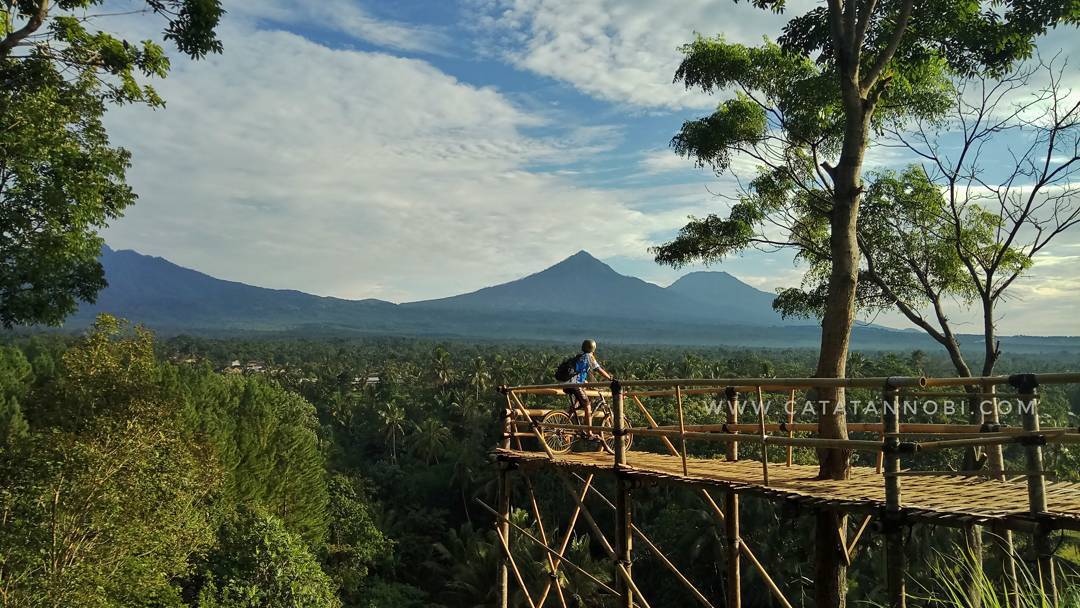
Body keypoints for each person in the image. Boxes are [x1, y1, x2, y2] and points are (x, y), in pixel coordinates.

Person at [564, 339, 613, 437]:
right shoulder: (589, 356)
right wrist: (610, 378)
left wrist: (587, 383)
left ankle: (564, 422)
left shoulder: (580, 357)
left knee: (577, 404)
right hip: (575, 385)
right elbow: (598, 369)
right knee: (587, 405)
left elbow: (579, 373)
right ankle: (589, 432)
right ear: (593, 348)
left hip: (568, 384)